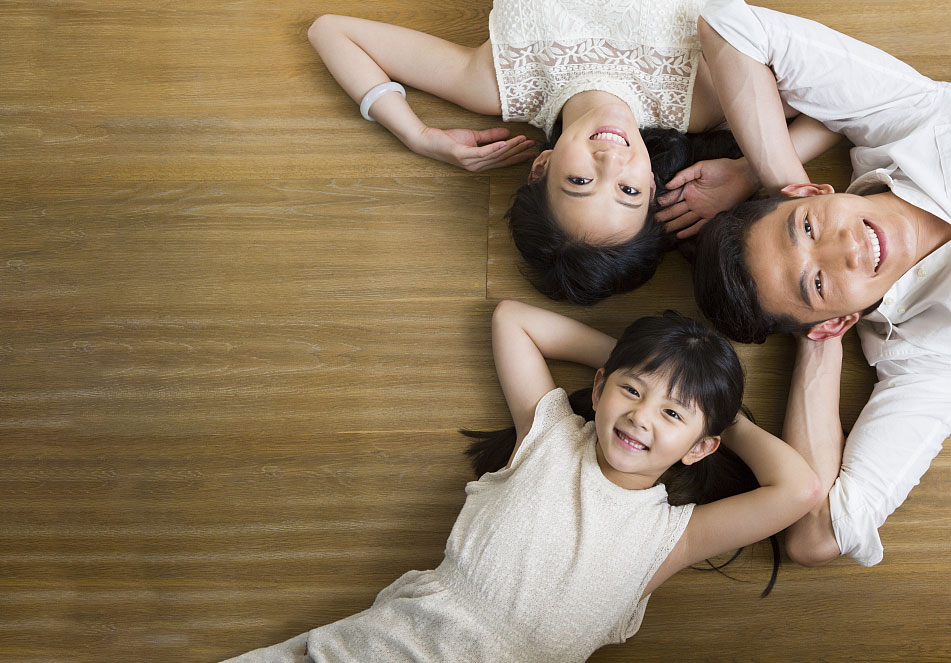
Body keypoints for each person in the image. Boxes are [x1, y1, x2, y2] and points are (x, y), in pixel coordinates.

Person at [221, 301, 819, 662]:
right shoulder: (550, 435)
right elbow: (513, 319)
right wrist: (647, 362)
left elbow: (800, 490)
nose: (641, 416)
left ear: (701, 446)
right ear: (601, 387)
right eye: (631, 391)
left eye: (671, 414)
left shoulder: (672, 537)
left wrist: (722, 418)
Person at [307, 1, 835, 304]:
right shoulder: (700, 103)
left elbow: (332, 32)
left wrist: (419, 135)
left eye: (580, 182)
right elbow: (837, 104)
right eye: (628, 191)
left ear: (540, 166)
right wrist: (748, 171)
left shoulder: (498, 85)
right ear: (654, 182)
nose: (610, 162)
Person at [687, 0, 951, 567]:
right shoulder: (926, 359)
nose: (846, 248)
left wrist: (773, 180)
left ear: (812, 192)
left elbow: (730, 26)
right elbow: (815, 537)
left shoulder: (913, 119)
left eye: (808, 227)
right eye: (817, 283)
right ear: (836, 321)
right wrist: (820, 343)